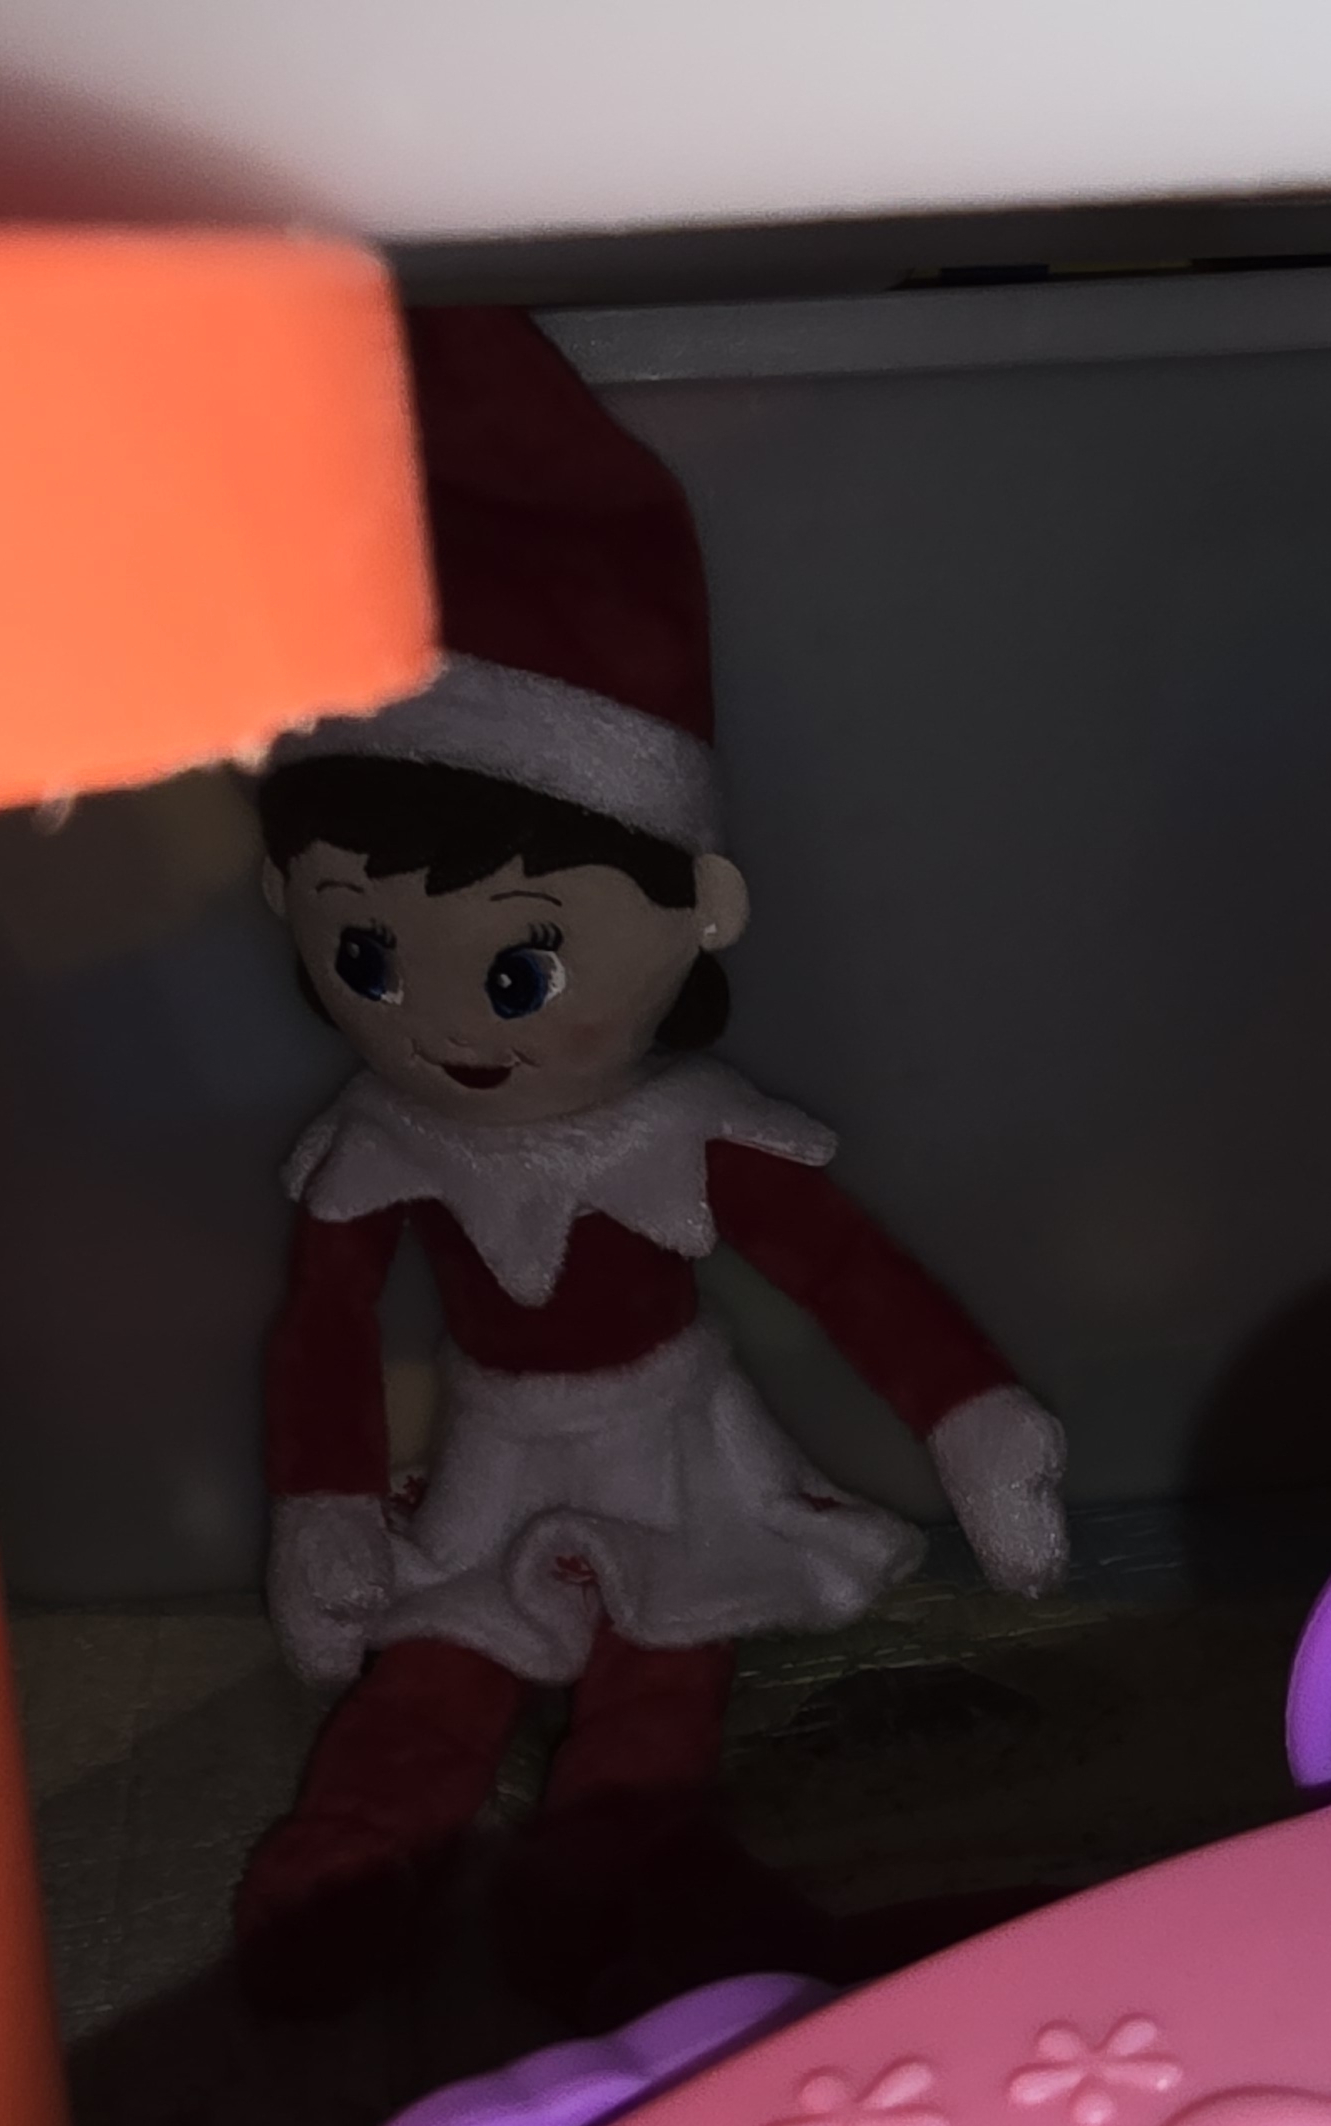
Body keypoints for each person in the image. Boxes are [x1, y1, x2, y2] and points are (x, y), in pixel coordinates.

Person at [234, 309, 1064, 2024]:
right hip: (486, 1454)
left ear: (696, 915)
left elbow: (849, 1277)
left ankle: (595, 1903)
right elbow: (322, 1332)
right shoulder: (377, 1149)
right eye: (367, 953)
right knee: (428, 1675)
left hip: (675, 1452)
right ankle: (347, 1883)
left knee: (658, 1692)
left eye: (518, 967)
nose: (437, 1019)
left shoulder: (687, 1139)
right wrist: (325, 1508)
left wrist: (972, 1419)